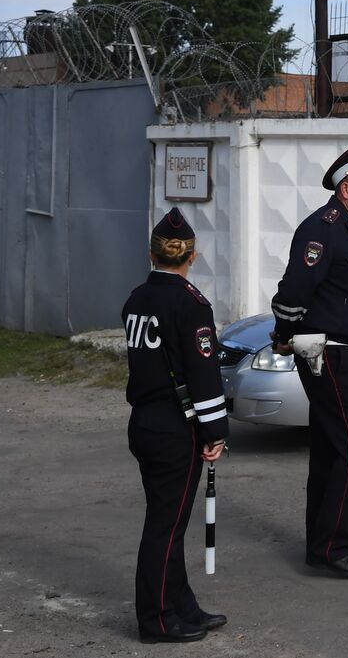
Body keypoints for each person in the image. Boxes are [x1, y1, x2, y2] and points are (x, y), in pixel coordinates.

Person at [269, 139, 348, 577]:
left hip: (338, 351)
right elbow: (294, 289)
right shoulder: (323, 229)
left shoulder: (344, 229)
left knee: (332, 447)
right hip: (328, 353)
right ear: (345, 190)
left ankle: (325, 539)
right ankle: (335, 545)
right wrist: (284, 334)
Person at [123, 207, 229, 644]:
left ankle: (181, 603)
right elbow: (203, 374)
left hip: (144, 422)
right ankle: (157, 620)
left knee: (169, 521)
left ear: (152, 254)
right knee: (164, 527)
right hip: (174, 426)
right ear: (192, 256)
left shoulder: (136, 299)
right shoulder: (191, 305)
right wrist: (215, 430)